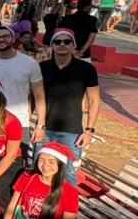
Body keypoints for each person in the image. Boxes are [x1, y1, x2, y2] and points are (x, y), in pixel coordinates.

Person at [39, 29, 99, 184]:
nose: (62, 44)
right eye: (57, 42)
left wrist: (89, 131)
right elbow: (35, 98)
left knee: (68, 174)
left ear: (74, 45)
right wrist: (38, 126)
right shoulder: (42, 68)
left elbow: (94, 101)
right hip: (45, 129)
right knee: (41, 171)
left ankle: (68, 201)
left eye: (67, 41)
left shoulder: (86, 69)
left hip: (72, 131)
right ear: (52, 45)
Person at [0, 25, 45, 138]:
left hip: (21, 121)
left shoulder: (30, 63)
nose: (1, 39)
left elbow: (39, 96)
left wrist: (41, 125)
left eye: (5, 36)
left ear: (13, 39)